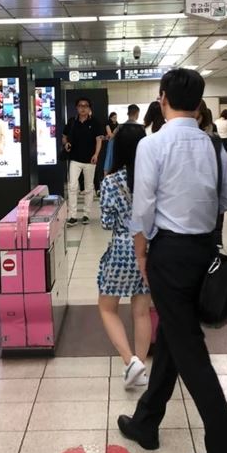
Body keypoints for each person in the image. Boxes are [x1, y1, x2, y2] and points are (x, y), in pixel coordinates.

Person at [117, 69, 227, 453]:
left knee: (189, 350)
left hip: (169, 253)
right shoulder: (213, 144)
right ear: (199, 102)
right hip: (205, 251)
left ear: (162, 99)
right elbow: (226, 200)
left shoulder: (152, 144)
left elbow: (143, 207)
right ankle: (146, 422)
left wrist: (142, 252)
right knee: (174, 337)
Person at [97, 123, 152, 389]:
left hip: (121, 249)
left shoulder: (110, 181)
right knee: (142, 312)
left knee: (108, 308)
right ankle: (140, 368)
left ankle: (130, 361)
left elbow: (107, 222)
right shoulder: (153, 178)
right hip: (148, 250)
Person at [62, 97, 102, 226]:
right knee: (72, 186)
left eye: (86, 105)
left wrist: (96, 154)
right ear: (77, 108)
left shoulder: (95, 122)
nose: (83, 108)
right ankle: (72, 215)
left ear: (89, 108)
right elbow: (64, 136)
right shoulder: (72, 122)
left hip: (90, 160)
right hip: (75, 159)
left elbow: (99, 140)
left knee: (89, 187)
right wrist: (66, 143)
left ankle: (86, 214)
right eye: (80, 105)